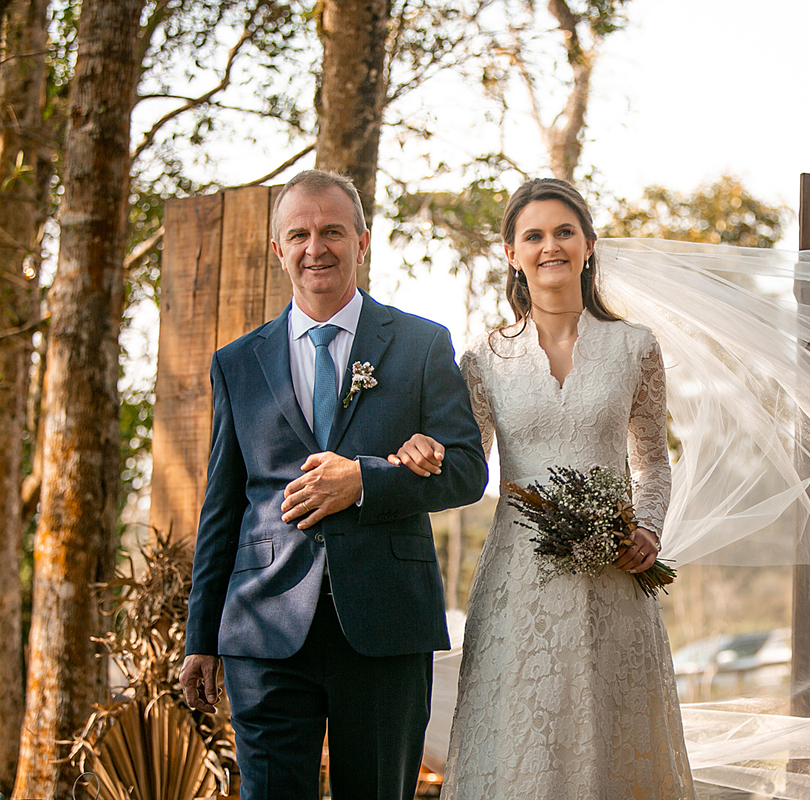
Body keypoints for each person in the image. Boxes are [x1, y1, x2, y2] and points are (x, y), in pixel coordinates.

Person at [179, 169, 488, 800]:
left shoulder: (422, 344)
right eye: (299, 234)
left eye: (332, 232)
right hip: (263, 629)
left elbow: (465, 469)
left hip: (385, 622)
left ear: (362, 242)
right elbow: (223, 506)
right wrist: (201, 637)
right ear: (278, 250)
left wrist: (367, 480)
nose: (315, 247)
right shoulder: (237, 362)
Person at [392, 178, 696, 798]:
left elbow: (653, 463)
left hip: (614, 575)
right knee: (521, 735)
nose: (549, 246)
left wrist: (647, 528)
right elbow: (464, 462)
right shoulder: (484, 358)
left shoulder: (635, 347)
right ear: (512, 253)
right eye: (534, 235)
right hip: (518, 576)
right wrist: (419, 450)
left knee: (612, 735)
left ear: (588, 245)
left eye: (564, 232)